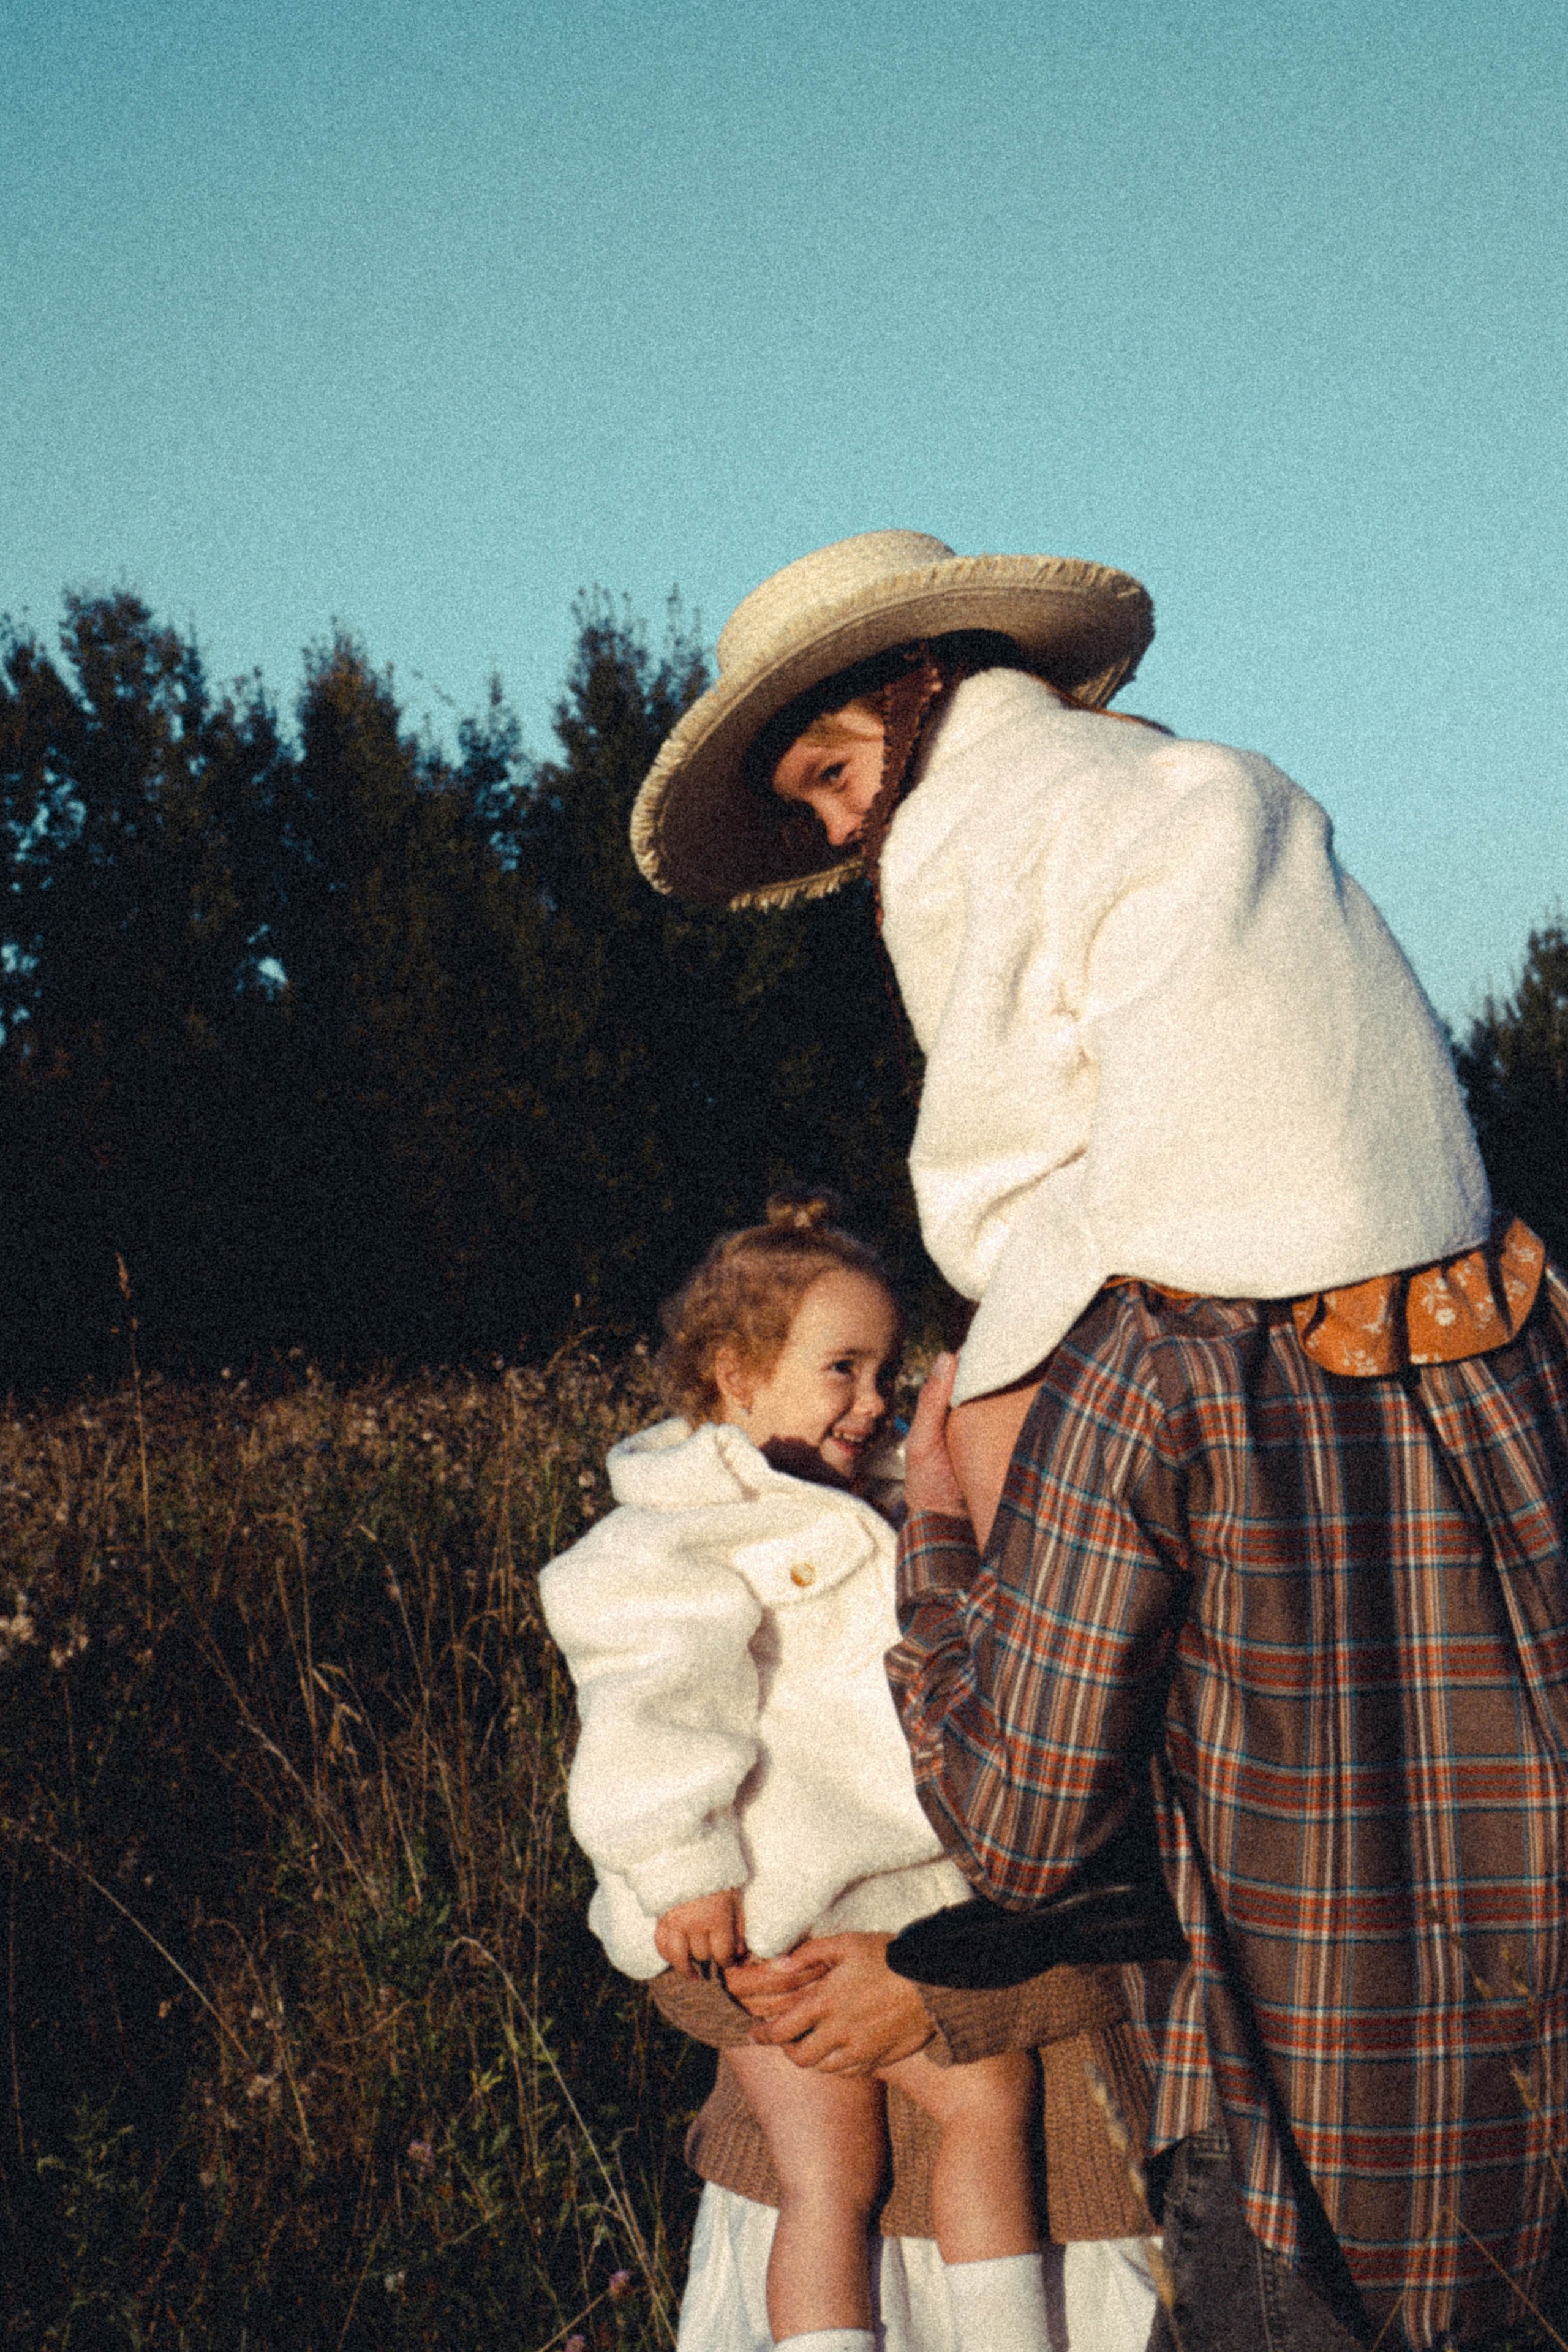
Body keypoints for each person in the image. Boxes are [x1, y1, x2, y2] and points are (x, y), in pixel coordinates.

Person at [628, 530, 1568, 2351]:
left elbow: (1029, 1820)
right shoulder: (1516, 1327)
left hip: (1309, 2184)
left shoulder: (1139, 1375)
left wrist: (941, 1519)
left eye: (837, 778)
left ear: (931, 718)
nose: (841, 836)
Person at [540, 1197, 1141, 2352]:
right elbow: (648, 1711)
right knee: (840, 2171)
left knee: (939, 2127)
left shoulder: (854, 1506)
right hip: (765, 1915)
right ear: (736, 1374)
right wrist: (680, 1868)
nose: (873, 1401)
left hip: (874, 1897)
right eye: (842, 1371)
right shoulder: (677, 1537)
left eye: (887, 1372)